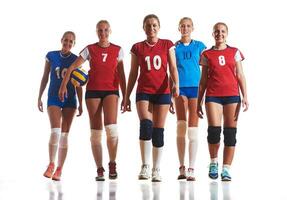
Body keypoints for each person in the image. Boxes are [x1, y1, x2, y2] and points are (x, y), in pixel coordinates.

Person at [58, 20, 126, 181]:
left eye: (105, 30)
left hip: (111, 90)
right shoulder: (90, 49)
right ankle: (100, 168)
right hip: (93, 91)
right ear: (96, 32)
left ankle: (112, 163)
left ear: (110, 31)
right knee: (96, 133)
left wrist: (126, 96)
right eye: (99, 30)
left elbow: (122, 74)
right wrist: (63, 86)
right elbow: (73, 66)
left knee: (112, 129)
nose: (103, 33)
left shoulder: (118, 50)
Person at [123, 14, 179, 182]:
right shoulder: (137, 47)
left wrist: (176, 84)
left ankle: (156, 168)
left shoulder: (167, 44)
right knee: (146, 126)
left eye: (154, 25)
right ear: (144, 28)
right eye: (148, 25)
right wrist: (126, 96)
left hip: (162, 91)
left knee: (158, 131)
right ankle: (145, 165)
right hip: (144, 91)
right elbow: (133, 73)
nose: (151, 28)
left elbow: (173, 68)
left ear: (159, 27)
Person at [197, 22, 249, 181]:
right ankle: (213, 162)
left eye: (223, 31)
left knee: (230, 133)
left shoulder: (234, 52)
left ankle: (226, 168)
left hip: (232, 95)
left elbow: (240, 75)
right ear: (213, 34)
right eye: (217, 32)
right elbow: (203, 80)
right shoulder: (206, 54)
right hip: (213, 96)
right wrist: (199, 101)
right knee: (213, 130)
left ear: (227, 33)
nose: (220, 34)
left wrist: (245, 96)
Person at [38, 31, 83, 181]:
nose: (68, 43)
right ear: (61, 40)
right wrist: (39, 96)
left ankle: (59, 169)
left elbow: (78, 84)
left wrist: (81, 104)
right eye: (66, 40)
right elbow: (45, 76)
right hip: (54, 97)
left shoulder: (76, 59)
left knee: (64, 135)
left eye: (71, 42)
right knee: (55, 131)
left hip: (70, 99)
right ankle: (51, 163)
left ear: (74, 44)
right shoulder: (51, 55)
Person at [172, 17, 206, 181]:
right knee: (181, 126)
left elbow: (208, 67)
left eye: (188, 26)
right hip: (180, 88)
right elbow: (170, 69)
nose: (185, 28)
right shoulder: (174, 47)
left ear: (192, 28)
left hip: (196, 88)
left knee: (193, 129)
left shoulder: (199, 46)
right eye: (182, 26)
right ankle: (181, 167)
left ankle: (192, 167)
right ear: (179, 28)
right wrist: (172, 89)